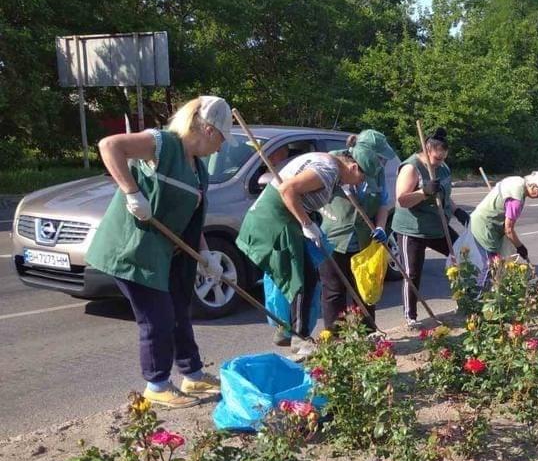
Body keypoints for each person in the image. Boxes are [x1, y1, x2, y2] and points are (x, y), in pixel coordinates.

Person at [85, 95, 232, 409]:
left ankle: (192, 373)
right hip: (133, 250)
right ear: (208, 130)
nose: (221, 147)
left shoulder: (199, 170)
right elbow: (109, 145)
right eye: (221, 139)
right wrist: (132, 192)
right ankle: (157, 384)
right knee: (158, 318)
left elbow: (192, 221)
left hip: (165, 255)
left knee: (180, 309)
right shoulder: (162, 144)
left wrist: (206, 257)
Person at [237, 131, 394, 349]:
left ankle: (295, 335)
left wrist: (309, 221)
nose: (361, 185)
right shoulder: (328, 169)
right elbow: (287, 189)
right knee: (301, 279)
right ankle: (298, 338)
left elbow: (303, 197)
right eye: (361, 179)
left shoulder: (335, 169)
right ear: (355, 167)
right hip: (276, 221)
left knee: (306, 278)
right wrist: (307, 224)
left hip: (290, 221)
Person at [391, 128, 470, 327]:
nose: (439, 162)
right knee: (412, 272)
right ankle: (411, 317)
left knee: (461, 256)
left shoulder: (443, 168)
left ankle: (465, 301)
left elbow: (444, 194)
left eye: (442, 158)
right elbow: (402, 200)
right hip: (412, 229)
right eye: (435, 158)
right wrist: (424, 191)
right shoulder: (411, 167)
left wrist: (457, 211)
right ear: (427, 150)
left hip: (437, 225)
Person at [319, 131, 397, 330]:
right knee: (334, 290)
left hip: (364, 240)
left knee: (365, 289)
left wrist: (380, 226)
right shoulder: (333, 162)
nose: (382, 163)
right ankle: (334, 340)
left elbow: (383, 204)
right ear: (367, 153)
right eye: (379, 158)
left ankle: (368, 335)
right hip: (333, 239)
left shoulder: (377, 173)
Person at [466, 170, 538, 265]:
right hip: (485, 227)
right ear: (534, 186)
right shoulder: (516, 200)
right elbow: (508, 230)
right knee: (490, 267)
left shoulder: (518, 180)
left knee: (494, 266)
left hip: (482, 221)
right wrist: (520, 247)